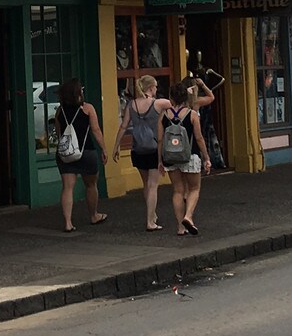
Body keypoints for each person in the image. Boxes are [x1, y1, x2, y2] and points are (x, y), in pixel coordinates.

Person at [117, 74, 170, 232]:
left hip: (137, 149)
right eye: (155, 87)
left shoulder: (131, 104)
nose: (156, 89)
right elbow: (177, 104)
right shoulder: (159, 103)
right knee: (153, 185)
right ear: (151, 87)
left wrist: (116, 147)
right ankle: (150, 221)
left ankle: (152, 215)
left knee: (146, 184)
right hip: (154, 148)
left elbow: (123, 126)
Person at [52, 78, 106, 233]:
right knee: (91, 185)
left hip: (66, 153)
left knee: (67, 188)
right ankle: (93, 215)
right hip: (86, 151)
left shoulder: (59, 111)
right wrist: (103, 149)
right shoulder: (87, 108)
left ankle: (68, 223)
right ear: (78, 92)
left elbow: (59, 132)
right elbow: (95, 130)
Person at [166, 78, 210, 236]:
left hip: (170, 157)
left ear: (171, 98)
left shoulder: (164, 115)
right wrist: (206, 158)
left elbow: (159, 140)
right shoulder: (192, 115)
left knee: (177, 191)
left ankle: (180, 227)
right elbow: (199, 138)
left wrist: (159, 160)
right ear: (186, 98)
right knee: (194, 188)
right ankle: (188, 216)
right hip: (190, 155)